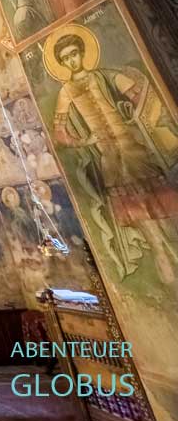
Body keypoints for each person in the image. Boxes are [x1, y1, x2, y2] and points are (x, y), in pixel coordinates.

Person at [51, 31, 178, 281]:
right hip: (108, 155)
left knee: (158, 197)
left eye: (74, 54)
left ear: (82, 53)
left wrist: (133, 114)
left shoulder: (106, 76)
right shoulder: (66, 91)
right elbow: (59, 131)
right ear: (63, 63)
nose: (71, 61)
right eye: (66, 58)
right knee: (132, 205)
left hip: (131, 145)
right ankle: (160, 253)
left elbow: (141, 96)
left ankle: (172, 246)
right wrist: (84, 141)